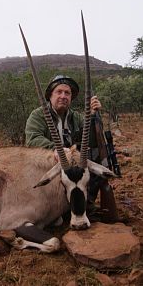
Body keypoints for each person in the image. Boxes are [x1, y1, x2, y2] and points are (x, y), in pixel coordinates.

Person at [25, 74, 101, 206]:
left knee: (95, 154)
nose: (63, 96)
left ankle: (87, 203)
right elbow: (33, 139)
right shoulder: (38, 115)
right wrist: (55, 149)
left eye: (67, 93)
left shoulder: (77, 117)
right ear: (50, 95)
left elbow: (93, 141)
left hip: (71, 168)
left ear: (71, 97)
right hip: (49, 164)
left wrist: (93, 117)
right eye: (59, 92)